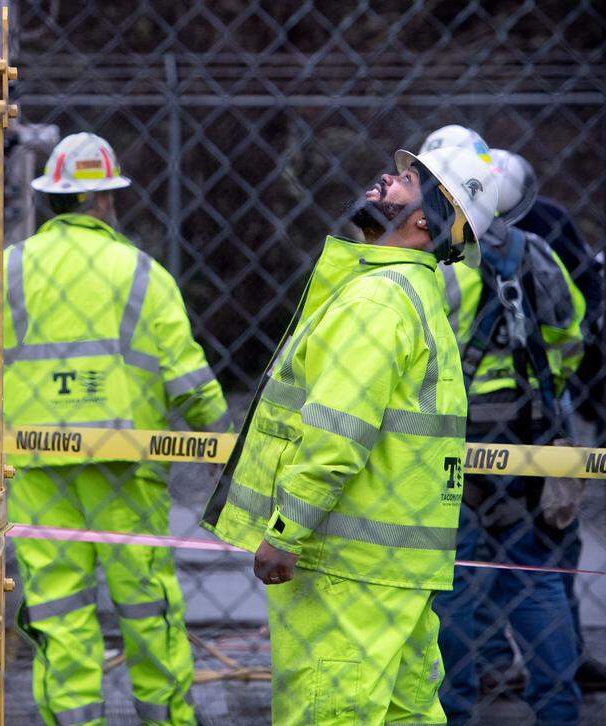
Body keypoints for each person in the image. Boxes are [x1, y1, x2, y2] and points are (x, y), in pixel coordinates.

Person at [202, 145, 497, 724]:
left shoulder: (376, 300)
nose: (389, 177)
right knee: (404, 713)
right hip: (395, 569)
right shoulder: (415, 297)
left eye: (409, 180)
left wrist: (287, 531)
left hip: (345, 567)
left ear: (424, 221)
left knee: (327, 710)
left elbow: (338, 434)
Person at [4, 132, 230, 725]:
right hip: (126, 463)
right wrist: (221, 445)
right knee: (147, 609)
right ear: (104, 199)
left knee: (59, 612)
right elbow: (187, 376)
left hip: (35, 467)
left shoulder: (7, 271)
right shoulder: (141, 273)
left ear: (52, 197)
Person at [427, 140, 584, 722]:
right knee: (533, 573)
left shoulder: (439, 264)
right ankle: (559, 709)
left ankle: (454, 710)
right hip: (526, 433)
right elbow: (570, 335)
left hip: (454, 435)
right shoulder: (533, 252)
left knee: (455, 582)